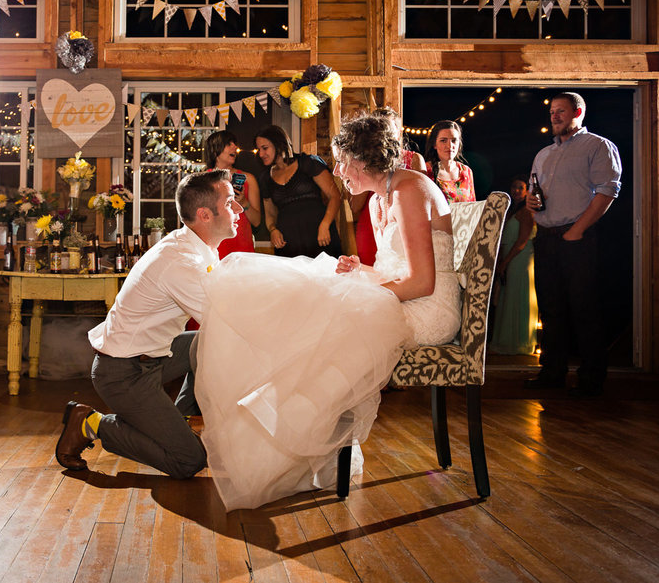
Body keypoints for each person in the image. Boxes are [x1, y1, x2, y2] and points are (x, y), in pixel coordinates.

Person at [195, 113, 461, 510]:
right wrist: (363, 271)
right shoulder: (381, 197)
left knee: (328, 326)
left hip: (430, 310)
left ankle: (296, 441)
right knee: (311, 304)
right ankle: (303, 445)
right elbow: (397, 269)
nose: (337, 171)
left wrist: (367, 290)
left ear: (364, 159)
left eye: (341, 162)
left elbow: (424, 282)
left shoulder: (409, 191)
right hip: (407, 297)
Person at [53, 170, 242, 478]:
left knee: (206, 343)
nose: (240, 209)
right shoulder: (181, 262)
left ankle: (176, 419)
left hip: (154, 358)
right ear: (205, 214)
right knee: (188, 461)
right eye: (231, 202)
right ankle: (90, 423)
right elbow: (231, 321)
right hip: (124, 374)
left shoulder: (198, 246)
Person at [523, 92, 622, 398]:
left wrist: (576, 231)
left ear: (577, 111)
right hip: (547, 238)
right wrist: (530, 202)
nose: (554, 116)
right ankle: (552, 373)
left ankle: (592, 378)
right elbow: (532, 194)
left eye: (560, 111)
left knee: (584, 308)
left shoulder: (598, 146)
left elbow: (608, 191)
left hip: (576, 238)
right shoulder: (543, 154)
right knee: (551, 311)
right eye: (552, 111)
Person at [350, 108, 424, 265]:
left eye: (389, 127)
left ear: (398, 130)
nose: (384, 133)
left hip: (405, 224)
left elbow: (421, 200)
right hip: (372, 221)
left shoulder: (415, 159)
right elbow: (355, 207)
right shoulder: (363, 162)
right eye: (378, 128)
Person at [256, 125, 342, 258]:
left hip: (320, 236)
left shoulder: (309, 163)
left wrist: (325, 225)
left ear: (279, 144)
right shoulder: (265, 178)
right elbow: (270, 214)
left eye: (265, 148)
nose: (261, 154)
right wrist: (273, 230)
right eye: (259, 149)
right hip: (288, 243)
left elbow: (335, 196)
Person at [489, 176, 538, 355]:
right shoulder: (511, 211)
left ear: (527, 191)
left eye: (520, 187)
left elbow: (522, 242)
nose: (516, 190)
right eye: (514, 187)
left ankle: (519, 343)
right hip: (509, 257)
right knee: (507, 298)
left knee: (517, 296)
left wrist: (506, 262)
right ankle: (506, 342)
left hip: (520, 259)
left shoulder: (527, 211)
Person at [202, 130, 260, 256]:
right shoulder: (202, 180)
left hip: (242, 248)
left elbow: (257, 221)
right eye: (229, 144)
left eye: (235, 143)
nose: (235, 147)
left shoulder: (248, 179)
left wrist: (244, 202)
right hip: (213, 247)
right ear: (215, 149)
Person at [424, 120, 476, 202]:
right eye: (443, 140)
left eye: (454, 140)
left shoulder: (466, 171)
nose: (449, 145)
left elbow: (473, 207)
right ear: (434, 144)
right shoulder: (425, 170)